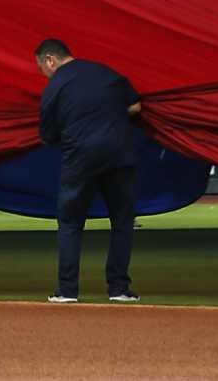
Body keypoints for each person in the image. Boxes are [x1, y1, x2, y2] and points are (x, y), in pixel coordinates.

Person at [34, 39, 142, 304]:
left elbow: (47, 135)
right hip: (118, 153)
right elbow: (136, 106)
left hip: (80, 157)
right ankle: (119, 288)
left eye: (41, 68)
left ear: (50, 60)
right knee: (122, 221)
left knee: (70, 223)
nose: (43, 73)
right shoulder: (106, 72)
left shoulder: (54, 87)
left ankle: (68, 290)